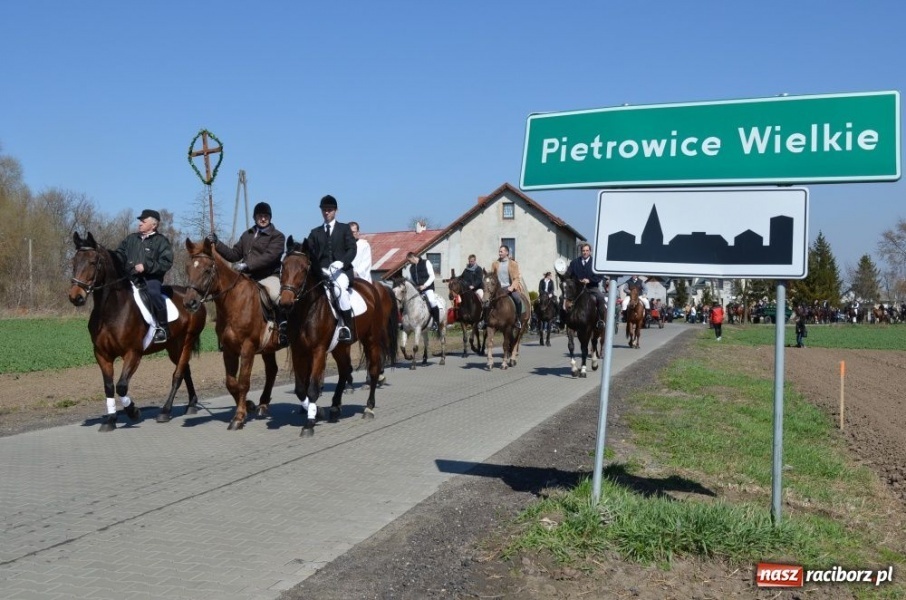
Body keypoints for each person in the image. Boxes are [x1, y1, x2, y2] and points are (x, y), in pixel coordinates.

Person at [206, 201, 287, 346]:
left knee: (275, 295)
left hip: (268, 276)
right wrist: (218, 243)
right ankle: (225, 333)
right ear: (255, 217)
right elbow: (233, 254)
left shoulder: (277, 236)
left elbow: (269, 257)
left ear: (270, 217)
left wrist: (247, 265)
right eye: (260, 216)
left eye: (266, 216)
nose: (263, 219)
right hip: (247, 278)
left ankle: (283, 328)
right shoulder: (247, 235)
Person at [116, 209, 174, 343]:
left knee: (153, 293)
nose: (140, 224)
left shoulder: (161, 241)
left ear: (154, 225)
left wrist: (146, 266)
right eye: (140, 221)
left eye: (143, 221)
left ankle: (163, 328)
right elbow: (119, 253)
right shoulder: (131, 239)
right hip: (130, 278)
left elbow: (166, 262)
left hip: (151, 279)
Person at [305, 195, 358, 343]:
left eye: (329, 210)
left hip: (340, 271)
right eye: (324, 210)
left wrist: (342, 262)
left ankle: (347, 328)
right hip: (322, 273)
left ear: (336, 211)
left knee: (339, 291)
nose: (326, 212)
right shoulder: (315, 232)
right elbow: (308, 250)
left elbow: (352, 249)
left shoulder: (344, 229)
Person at [565, 243, 608, 322]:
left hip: (591, 288)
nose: (585, 252)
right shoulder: (574, 263)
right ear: (581, 251)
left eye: (587, 250)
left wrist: (589, 280)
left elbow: (600, 276)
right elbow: (568, 274)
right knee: (564, 298)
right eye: (583, 251)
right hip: (577, 289)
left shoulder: (595, 263)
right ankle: (564, 320)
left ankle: (601, 320)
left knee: (601, 298)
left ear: (590, 251)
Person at [488, 244, 524, 329]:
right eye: (499, 252)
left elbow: (516, 278)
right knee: (486, 300)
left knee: (517, 299)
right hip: (498, 289)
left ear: (507, 252)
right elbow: (492, 276)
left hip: (509, 287)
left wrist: (512, 287)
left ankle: (518, 319)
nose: (499, 253)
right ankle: (485, 320)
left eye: (501, 251)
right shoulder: (495, 264)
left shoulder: (513, 264)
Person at [403, 251, 442, 329]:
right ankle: (405, 322)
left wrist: (425, 286)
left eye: (409, 260)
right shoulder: (411, 268)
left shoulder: (426, 262)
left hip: (428, 288)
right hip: (418, 289)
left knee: (431, 301)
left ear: (412, 257)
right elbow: (412, 280)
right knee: (406, 301)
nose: (409, 262)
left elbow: (432, 276)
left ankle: (436, 322)